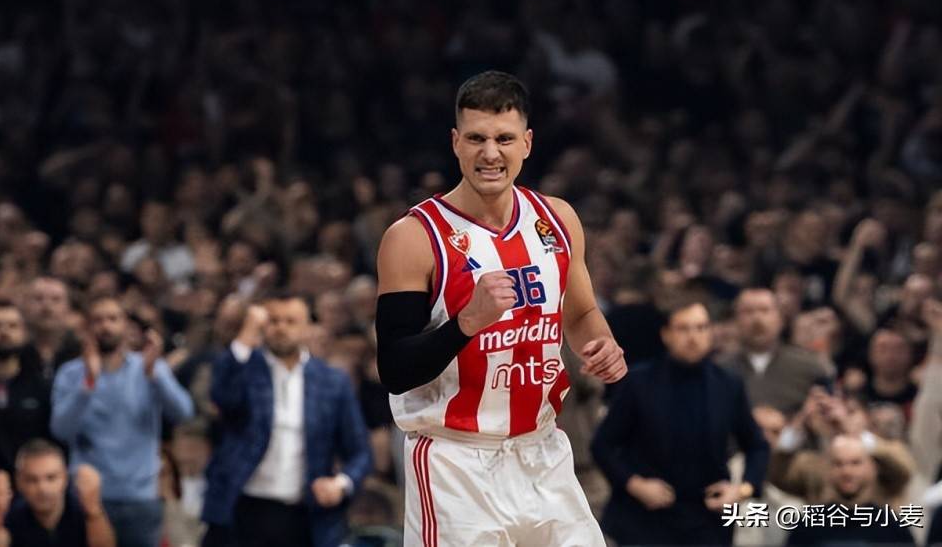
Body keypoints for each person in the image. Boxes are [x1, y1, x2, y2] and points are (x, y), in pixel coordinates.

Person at [375, 70, 627, 546]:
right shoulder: (413, 237)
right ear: (456, 142)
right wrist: (467, 322)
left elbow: (579, 314)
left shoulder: (558, 219)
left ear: (527, 143)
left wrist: (603, 344)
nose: (490, 153)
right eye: (476, 138)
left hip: (542, 449)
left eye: (504, 139)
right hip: (456, 459)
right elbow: (394, 368)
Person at [591, 299, 769, 545]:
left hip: (707, 519)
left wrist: (742, 490)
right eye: (683, 329)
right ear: (666, 334)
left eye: (701, 328)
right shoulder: (638, 382)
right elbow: (603, 445)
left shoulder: (728, 384)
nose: (693, 337)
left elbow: (757, 445)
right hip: (644, 518)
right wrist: (635, 484)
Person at [201, 296, 373, 547]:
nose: (281, 328)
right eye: (273, 321)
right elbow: (222, 395)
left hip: (303, 514)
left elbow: (360, 452)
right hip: (240, 508)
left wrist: (341, 483)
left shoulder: (332, 381)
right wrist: (245, 337)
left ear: (307, 327)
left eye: (291, 321)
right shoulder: (245, 369)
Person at [50, 298, 194, 547]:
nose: (105, 326)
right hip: (88, 495)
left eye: (113, 319)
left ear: (126, 326)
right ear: (86, 328)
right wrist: (88, 384)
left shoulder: (149, 367)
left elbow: (184, 413)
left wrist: (156, 376)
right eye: (98, 320)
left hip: (140, 497)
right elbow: (60, 430)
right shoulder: (71, 373)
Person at [0, 439, 116, 547]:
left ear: (65, 478)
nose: (42, 488)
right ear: (19, 482)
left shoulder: (82, 510)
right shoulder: (12, 516)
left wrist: (93, 509)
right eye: (32, 480)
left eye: (51, 478)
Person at [785, 434, 914, 545]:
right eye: (838, 464)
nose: (847, 472)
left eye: (855, 463)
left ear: (873, 468)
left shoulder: (893, 527)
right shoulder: (807, 526)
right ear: (828, 469)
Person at [719, 288, 831, 415]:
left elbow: (827, 414)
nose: (757, 319)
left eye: (765, 310)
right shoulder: (719, 370)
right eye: (748, 312)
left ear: (781, 319)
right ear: (736, 320)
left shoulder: (811, 367)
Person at [0, 302, 51, 487]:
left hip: (28, 489)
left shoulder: (41, 387)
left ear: (24, 333)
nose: (4, 332)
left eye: (12, 326)